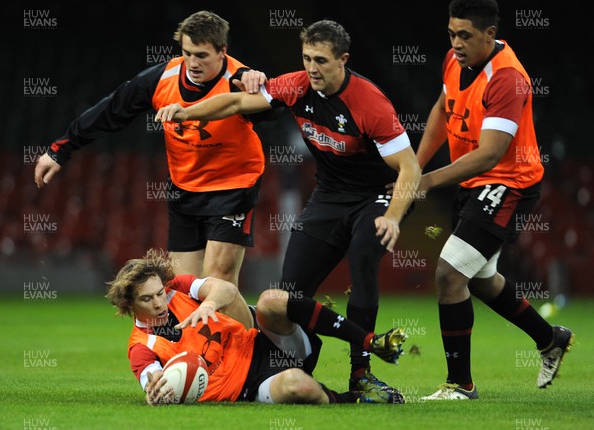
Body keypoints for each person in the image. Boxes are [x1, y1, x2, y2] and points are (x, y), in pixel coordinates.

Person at [155, 20, 421, 395]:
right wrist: (186, 111)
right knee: (287, 295)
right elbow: (235, 101)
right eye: (307, 58)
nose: (312, 68)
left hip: (376, 195)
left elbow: (410, 167)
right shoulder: (295, 85)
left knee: (362, 256)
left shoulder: (369, 103)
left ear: (343, 60)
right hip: (329, 196)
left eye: (322, 60)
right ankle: (291, 366)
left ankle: (361, 376)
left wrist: (393, 216)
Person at [33, 11, 268, 328]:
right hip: (184, 188)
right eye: (186, 53)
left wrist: (258, 81)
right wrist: (60, 149)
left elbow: (273, 111)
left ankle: (258, 358)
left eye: (202, 55)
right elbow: (112, 109)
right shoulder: (162, 79)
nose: (193, 62)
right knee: (185, 287)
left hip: (233, 187)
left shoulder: (243, 80)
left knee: (219, 278)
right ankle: (209, 360)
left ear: (222, 51)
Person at [414, 0, 574, 400]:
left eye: (465, 35)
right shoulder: (454, 61)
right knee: (482, 281)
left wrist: (426, 181)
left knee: (450, 275)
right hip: (475, 184)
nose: (456, 43)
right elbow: (442, 108)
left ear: (490, 34)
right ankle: (550, 338)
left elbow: (489, 153)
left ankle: (460, 385)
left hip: (508, 183)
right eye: (451, 34)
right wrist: (413, 168)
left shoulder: (507, 79)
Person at [106, 248, 408, 405]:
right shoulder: (141, 348)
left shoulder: (178, 288)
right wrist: (157, 391)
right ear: (129, 304)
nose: (159, 302)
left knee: (270, 299)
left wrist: (209, 305)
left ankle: (369, 341)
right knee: (298, 385)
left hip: (266, 340)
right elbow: (153, 381)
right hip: (247, 387)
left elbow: (225, 289)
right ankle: (352, 400)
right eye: (148, 299)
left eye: (159, 292)